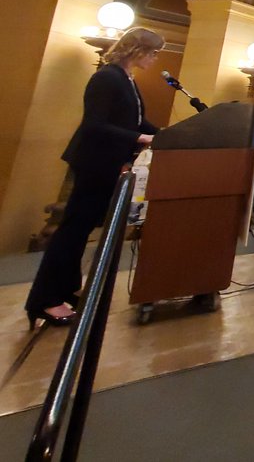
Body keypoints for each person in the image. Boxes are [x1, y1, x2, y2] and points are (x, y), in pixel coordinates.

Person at [25, 28, 163, 328]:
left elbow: (134, 120)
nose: (154, 59)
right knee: (71, 232)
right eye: (153, 53)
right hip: (94, 163)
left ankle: (65, 291)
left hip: (108, 164)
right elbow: (94, 125)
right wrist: (140, 137)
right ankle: (44, 300)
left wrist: (163, 134)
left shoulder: (127, 79)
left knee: (81, 230)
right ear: (137, 50)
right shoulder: (107, 77)